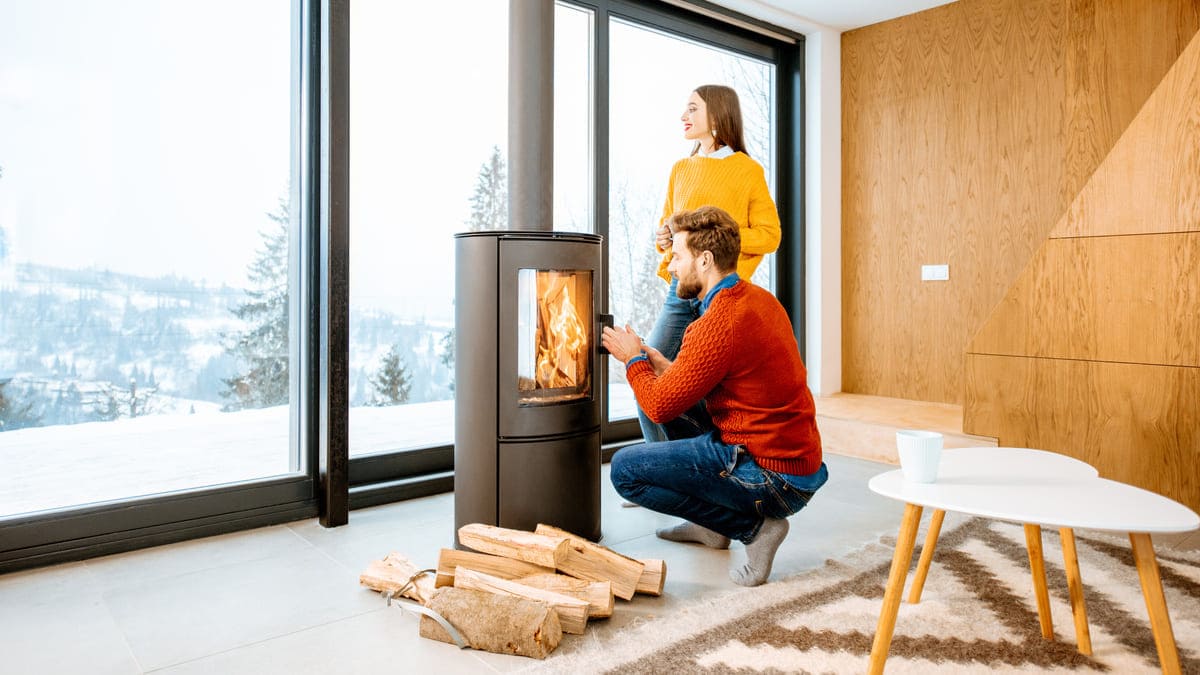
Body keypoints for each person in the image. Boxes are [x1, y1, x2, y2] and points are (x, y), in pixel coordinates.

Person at [601, 206, 825, 587]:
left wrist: (632, 360)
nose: (671, 266)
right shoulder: (757, 299)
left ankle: (755, 529)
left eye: (677, 256)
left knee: (625, 472)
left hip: (773, 477)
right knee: (673, 400)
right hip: (795, 464)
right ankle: (710, 529)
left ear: (704, 260)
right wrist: (664, 367)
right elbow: (715, 384)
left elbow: (656, 406)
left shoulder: (718, 322)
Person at [639, 84, 782, 444]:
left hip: (720, 294)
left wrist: (715, 239)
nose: (683, 116)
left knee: (711, 394)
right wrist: (665, 238)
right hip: (681, 290)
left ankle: (714, 462)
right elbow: (670, 228)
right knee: (647, 375)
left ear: (716, 114)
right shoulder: (680, 169)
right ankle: (664, 463)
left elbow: (769, 235)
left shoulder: (747, 171)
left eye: (692, 109)